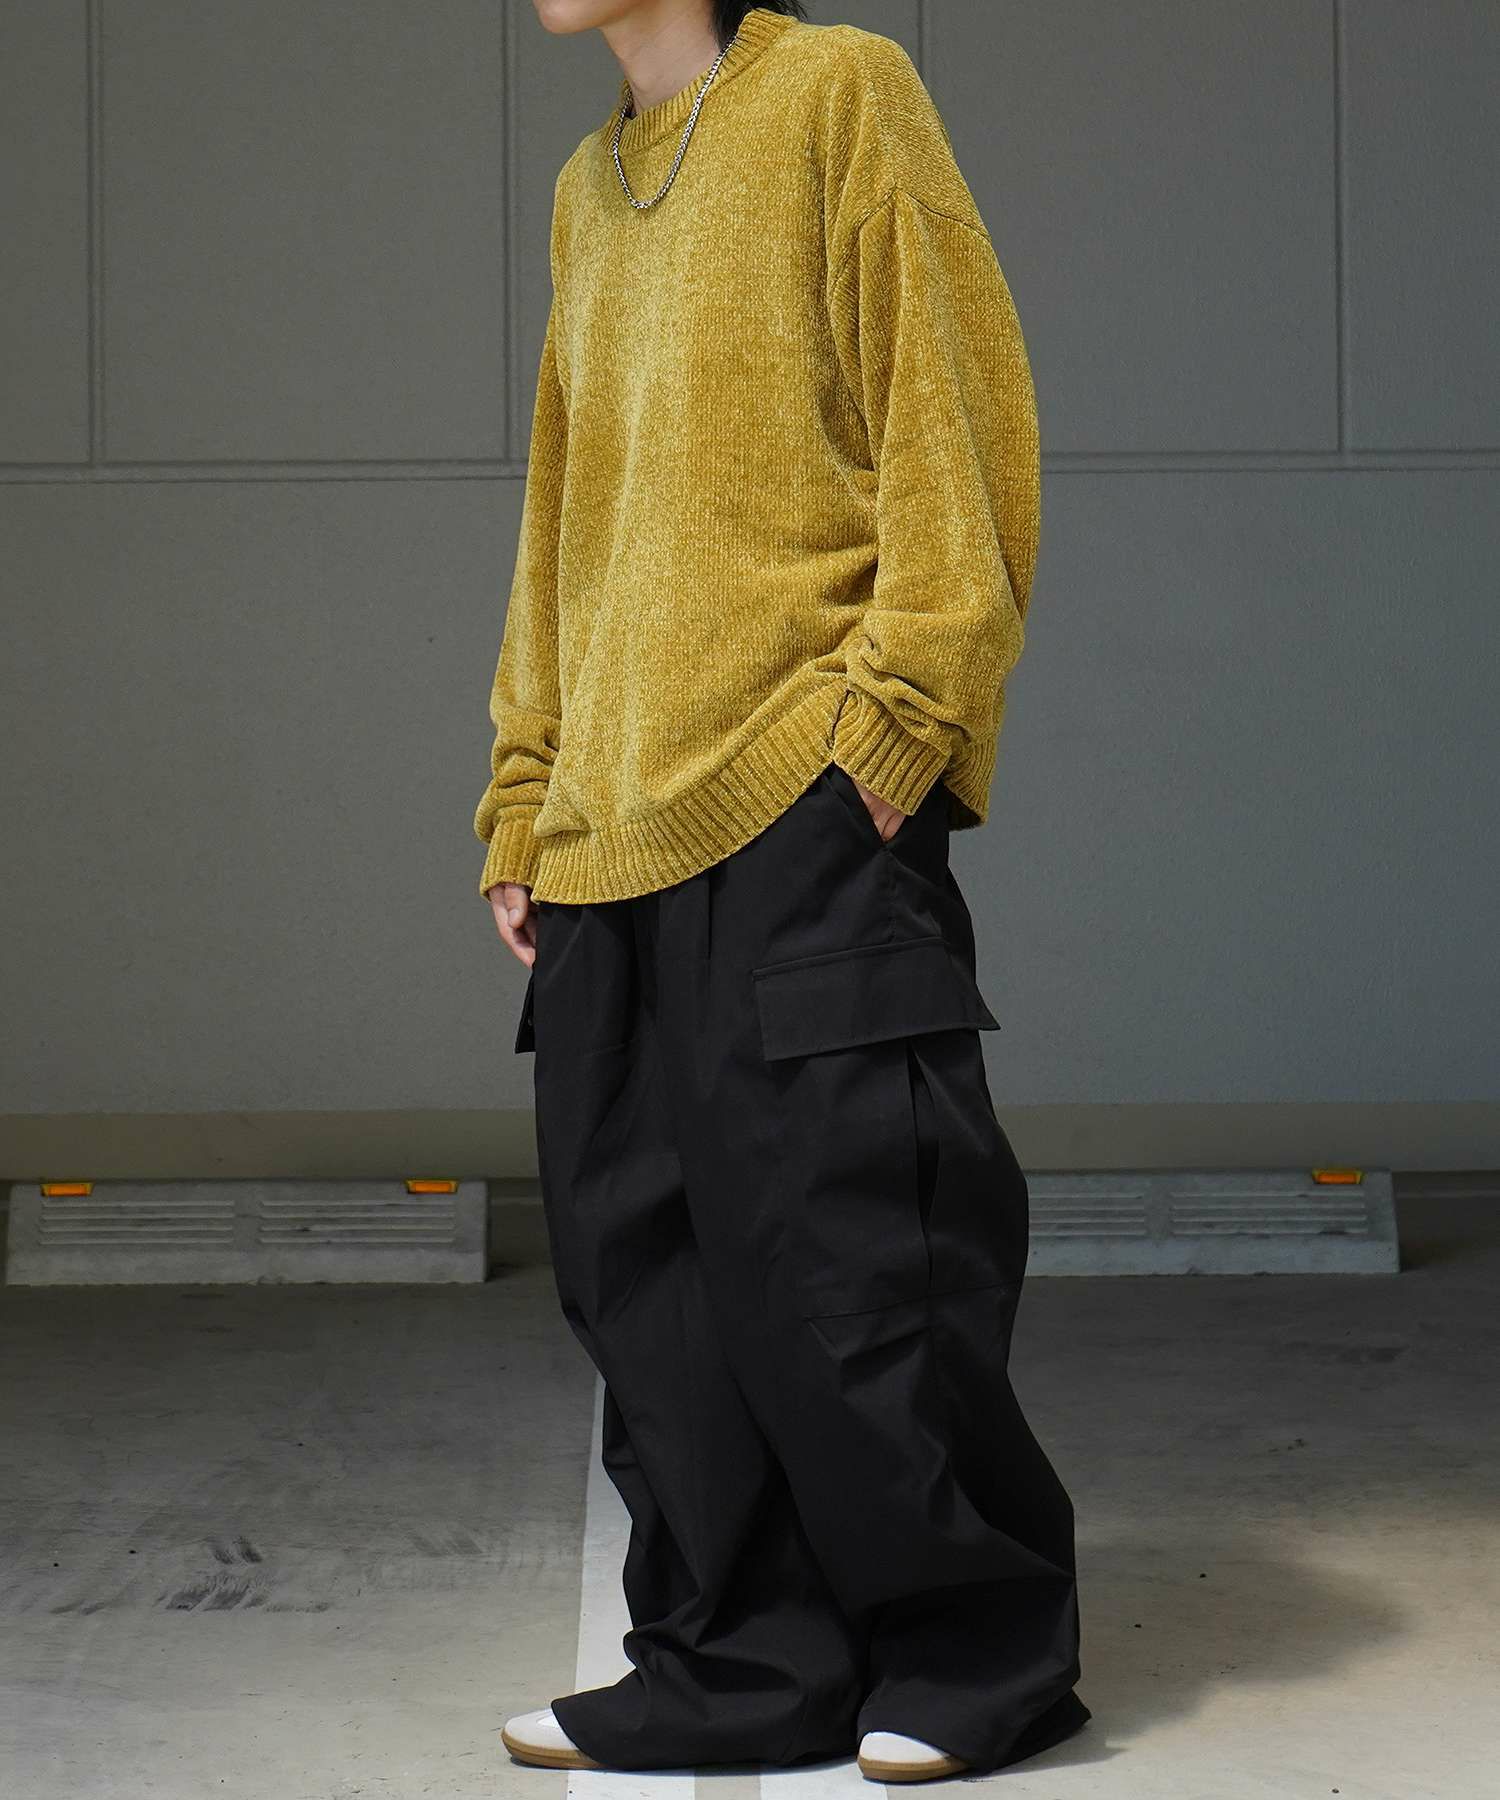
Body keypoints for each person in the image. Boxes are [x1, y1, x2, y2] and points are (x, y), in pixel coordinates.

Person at [473, 0, 1090, 1782]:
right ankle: (740, 1661)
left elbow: (957, 411)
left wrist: (895, 727)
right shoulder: (590, 188)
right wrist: (527, 785)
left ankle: (976, 1651)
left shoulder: (836, 92)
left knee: (853, 1256)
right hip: (610, 822)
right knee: (647, 1276)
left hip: (801, 790)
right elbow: (565, 516)